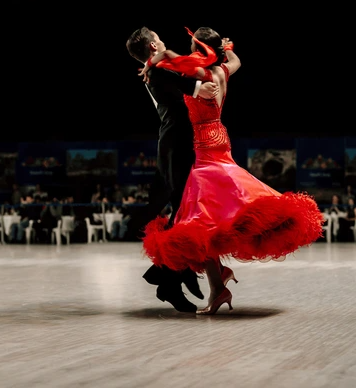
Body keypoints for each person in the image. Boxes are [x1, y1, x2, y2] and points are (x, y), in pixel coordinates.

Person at [140, 27, 323, 315]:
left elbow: (173, 64)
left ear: (200, 50)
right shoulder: (223, 70)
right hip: (220, 137)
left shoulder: (199, 73)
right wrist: (227, 50)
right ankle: (216, 281)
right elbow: (235, 61)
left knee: (200, 219)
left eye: (193, 45)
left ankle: (214, 284)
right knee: (218, 208)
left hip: (202, 143)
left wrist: (153, 61)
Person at [126, 26, 221, 312]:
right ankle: (169, 280)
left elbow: (175, 65)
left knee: (186, 212)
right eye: (158, 39)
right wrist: (197, 88)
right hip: (175, 145)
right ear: (153, 46)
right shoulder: (156, 72)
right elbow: (172, 77)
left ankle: (177, 273)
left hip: (178, 143)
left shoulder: (157, 67)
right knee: (183, 213)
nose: (163, 40)